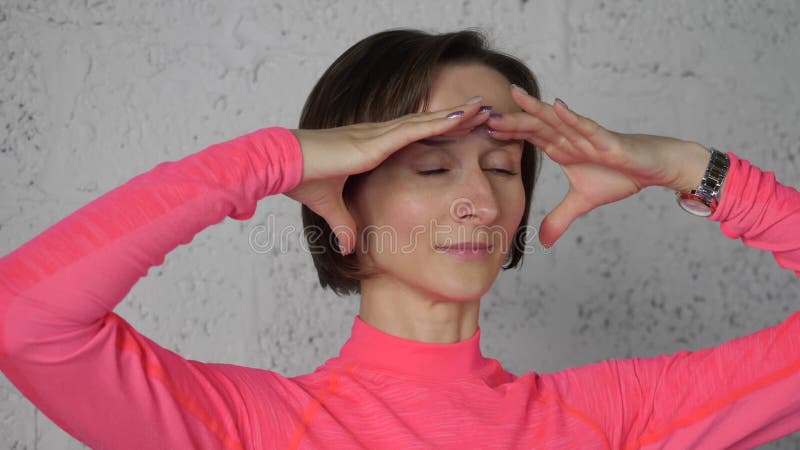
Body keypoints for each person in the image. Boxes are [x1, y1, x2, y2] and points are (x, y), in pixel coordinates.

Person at [0, 28, 798, 449]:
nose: (481, 200)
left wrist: (688, 166)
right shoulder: (254, 427)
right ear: (342, 185)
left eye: (503, 166)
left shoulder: (612, 416)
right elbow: (23, 317)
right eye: (428, 168)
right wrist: (274, 158)